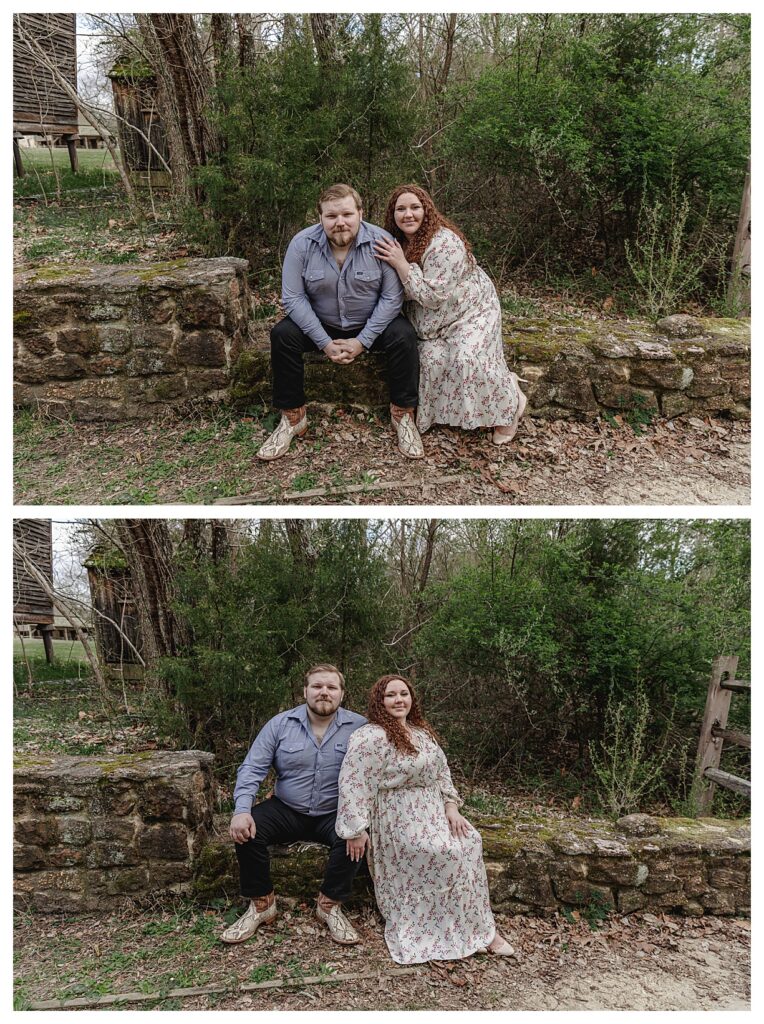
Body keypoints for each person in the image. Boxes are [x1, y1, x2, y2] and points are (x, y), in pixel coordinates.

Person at [335, 674, 514, 964]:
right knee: (443, 852)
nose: (398, 700)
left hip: (433, 811)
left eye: (403, 694)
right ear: (379, 701)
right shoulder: (370, 737)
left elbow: (442, 773)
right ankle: (440, 931)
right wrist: (355, 829)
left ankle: (475, 928)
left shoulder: (422, 734)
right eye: (390, 695)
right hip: (397, 816)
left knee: (469, 842)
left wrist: (451, 806)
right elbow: (354, 782)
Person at [257, 183, 424, 461]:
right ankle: (293, 417)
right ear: (320, 217)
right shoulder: (301, 244)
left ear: (360, 212)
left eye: (347, 214)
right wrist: (323, 342)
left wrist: (362, 341)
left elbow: (392, 299)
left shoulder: (382, 241)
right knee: (282, 334)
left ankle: (403, 416)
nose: (340, 223)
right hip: (320, 323)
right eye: (331, 216)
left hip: (369, 323)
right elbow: (293, 298)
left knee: (403, 334)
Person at [220, 664, 367, 946]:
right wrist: (241, 811)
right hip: (287, 808)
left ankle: (329, 907)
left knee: (354, 840)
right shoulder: (280, 724)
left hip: (335, 812)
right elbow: (252, 768)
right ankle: (262, 905)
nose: (324, 692)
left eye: (331, 687)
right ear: (305, 691)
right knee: (248, 831)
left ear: (342, 694)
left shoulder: (360, 728)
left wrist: (360, 821)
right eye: (317, 686)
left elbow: (373, 776)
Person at [374, 184, 526, 445]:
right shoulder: (396, 242)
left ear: (427, 211)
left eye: (415, 208)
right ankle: (439, 417)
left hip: (471, 311)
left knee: (466, 358)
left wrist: (402, 265)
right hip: (432, 319)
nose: (408, 214)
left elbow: (433, 296)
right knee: (430, 358)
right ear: (392, 214)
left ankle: (509, 405)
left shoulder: (444, 243)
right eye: (401, 209)